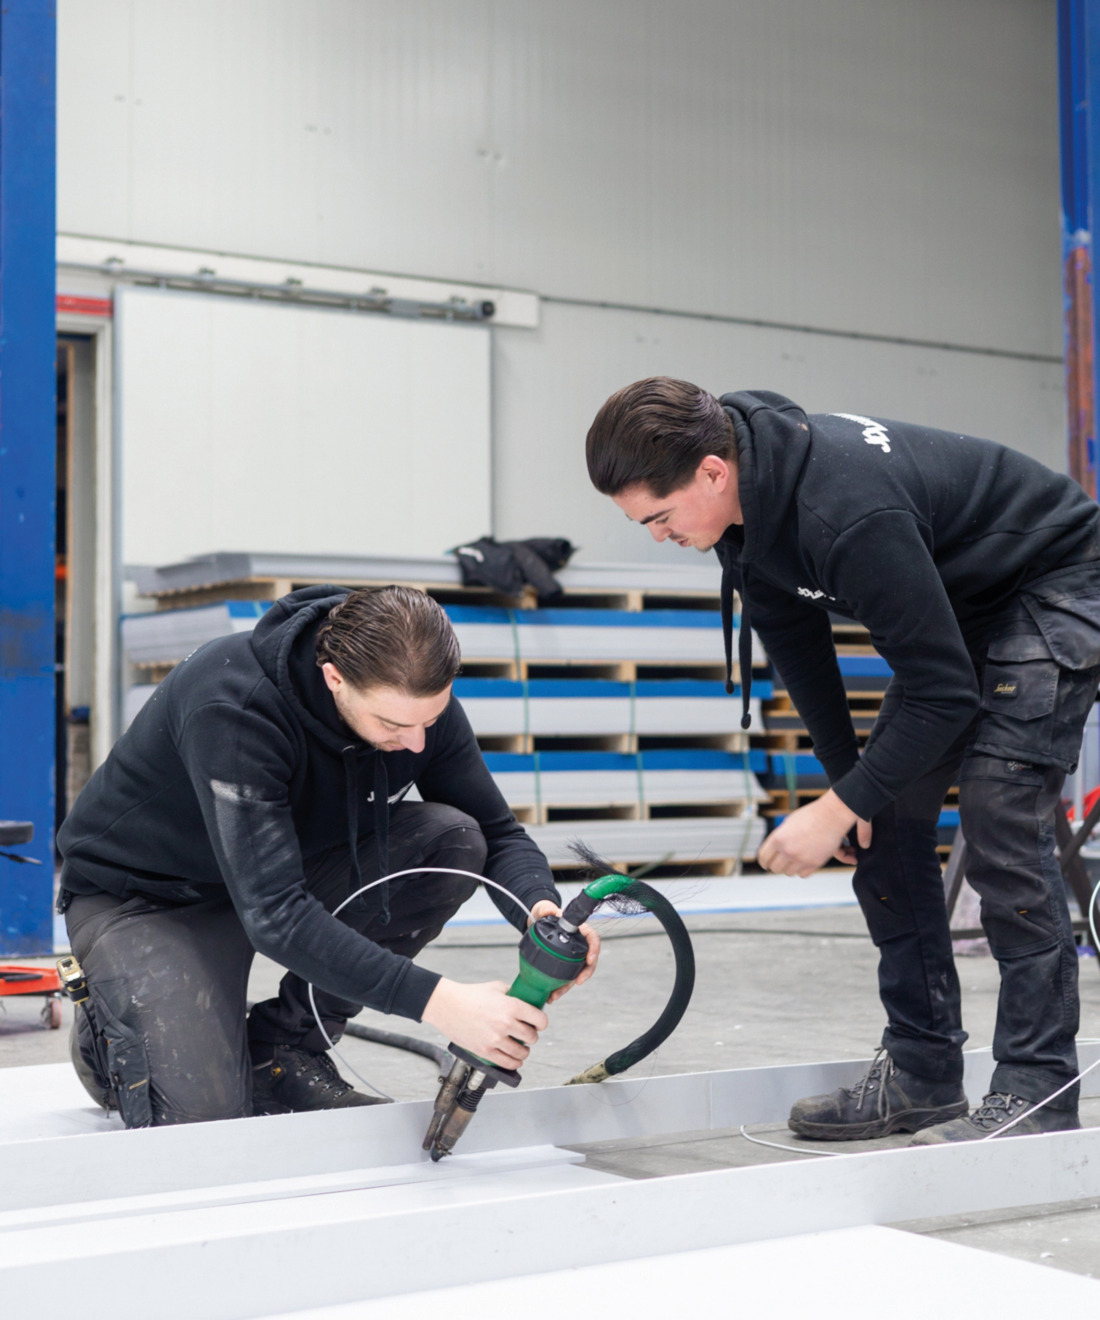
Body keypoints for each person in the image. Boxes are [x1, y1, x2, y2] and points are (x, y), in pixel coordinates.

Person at [586, 376, 1100, 1143]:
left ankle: (1036, 1090)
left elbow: (942, 694)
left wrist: (837, 809)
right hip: (969, 602)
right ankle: (922, 1075)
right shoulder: (746, 523)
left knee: (999, 811)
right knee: (881, 818)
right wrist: (847, 797)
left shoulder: (846, 508)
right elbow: (802, 655)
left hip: (1059, 578)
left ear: (714, 473)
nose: (658, 535)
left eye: (659, 516)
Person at [58, 584, 598, 1126]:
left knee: (454, 837)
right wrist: (441, 1003)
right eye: (392, 725)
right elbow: (275, 915)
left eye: (427, 723)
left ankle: (284, 1047)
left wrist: (538, 910)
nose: (415, 743)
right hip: (151, 897)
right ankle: (110, 1030)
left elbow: (497, 833)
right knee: (203, 1120)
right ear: (334, 677)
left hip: (281, 871)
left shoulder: (413, 700)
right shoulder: (232, 704)